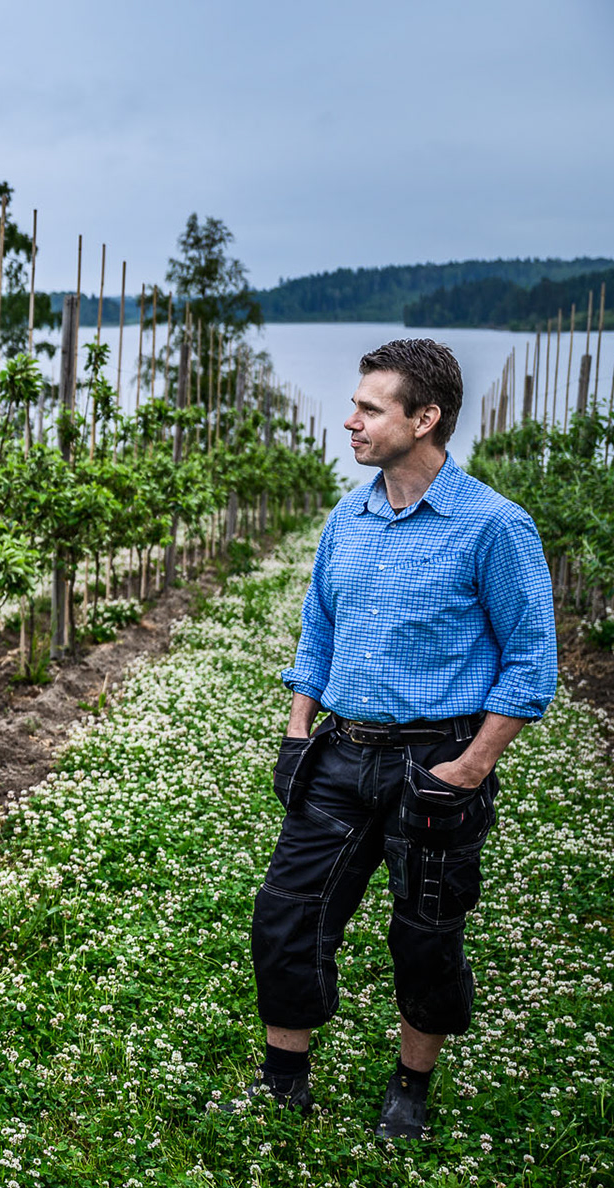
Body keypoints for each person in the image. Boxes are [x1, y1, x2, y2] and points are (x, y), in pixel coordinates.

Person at [249, 338, 556, 1139]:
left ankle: (411, 1087)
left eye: (369, 408)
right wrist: (296, 731)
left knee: (425, 934)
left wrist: (468, 768)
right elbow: (317, 632)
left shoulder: (494, 526)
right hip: (339, 752)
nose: (348, 421)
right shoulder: (345, 518)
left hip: (436, 759)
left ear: (426, 419)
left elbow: (529, 664)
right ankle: (284, 1083)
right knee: (287, 913)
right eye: (354, 404)